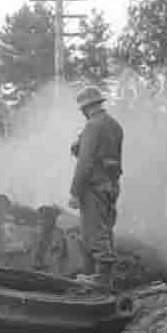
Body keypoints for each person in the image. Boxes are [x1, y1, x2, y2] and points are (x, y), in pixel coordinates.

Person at [69, 86, 123, 292]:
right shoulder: (115, 125)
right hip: (111, 185)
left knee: (94, 231)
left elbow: (85, 163)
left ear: (85, 107)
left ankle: (101, 279)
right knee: (106, 229)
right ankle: (105, 278)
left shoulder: (93, 126)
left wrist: (75, 192)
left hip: (94, 186)